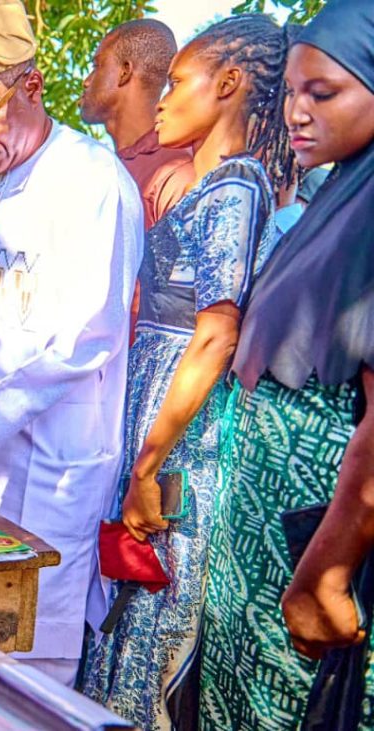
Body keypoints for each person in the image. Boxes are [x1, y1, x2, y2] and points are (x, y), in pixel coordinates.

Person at [0, 0, 144, 685]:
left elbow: (86, 335)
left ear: (32, 85)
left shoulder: (92, 181)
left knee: (33, 659)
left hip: (52, 467)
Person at [80, 15, 293, 730]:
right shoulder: (207, 183)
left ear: (228, 84)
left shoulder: (235, 187)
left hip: (178, 445)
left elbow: (215, 332)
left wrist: (148, 464)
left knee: (149, 623)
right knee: (126, 606)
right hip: (156, 421)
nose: (163, 99)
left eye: (177, 83)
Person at [199, 2, 374, 726]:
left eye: (323, 93)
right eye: (291, 94)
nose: (297, 113)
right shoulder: (338, 196)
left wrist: (325, 572)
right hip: (260, 552)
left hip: (308, 553)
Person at [80, 18, 194, 231]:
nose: (86, 81)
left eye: (97, 66)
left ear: (125, 72)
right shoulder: (103, 166)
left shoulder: (173, 171)